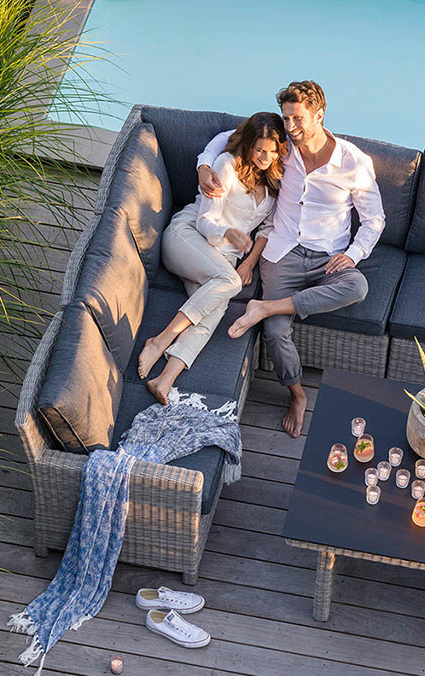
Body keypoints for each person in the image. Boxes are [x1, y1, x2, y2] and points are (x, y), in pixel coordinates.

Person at [195, 81, 385, 438]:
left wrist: (353, 254)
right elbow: (225, 138)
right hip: (280, 253)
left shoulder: (353, 162)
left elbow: (375, 219)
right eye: (286, 119)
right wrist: (205, 167)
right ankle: (297, 395)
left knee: (357, 285)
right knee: (276, 332)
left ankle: (266, 306)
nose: (291, 127)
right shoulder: (282, 148)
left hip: (328, 257)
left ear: (319, 114)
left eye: (298, 119)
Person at [137, 112, 287, 404]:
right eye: (259, 150)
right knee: (228, 283)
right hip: (188, 238)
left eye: (271, 151)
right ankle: (160, 340)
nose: (264, 157)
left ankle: (164, 380)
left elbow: (267, 229)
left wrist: (249, 262)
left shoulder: (274, 184)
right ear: (248, 144)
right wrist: (230, 233)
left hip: (221, 264)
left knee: (214, 310)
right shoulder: (226, 165)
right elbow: (206, 222)